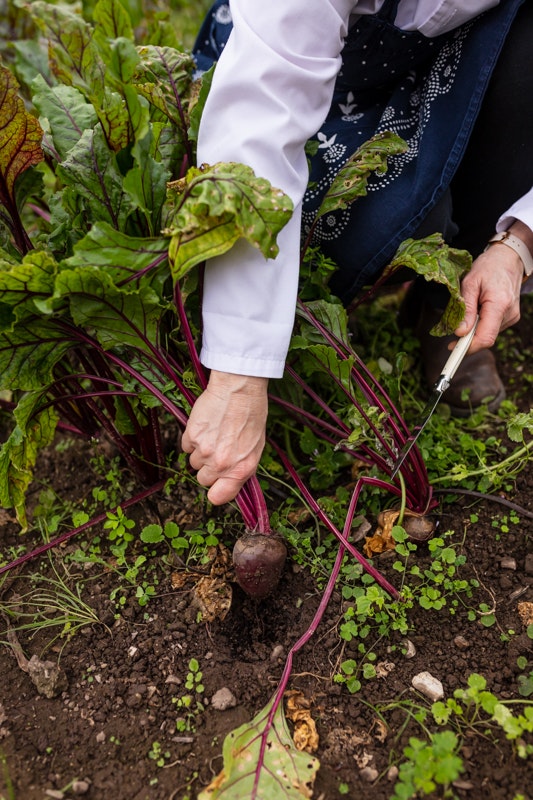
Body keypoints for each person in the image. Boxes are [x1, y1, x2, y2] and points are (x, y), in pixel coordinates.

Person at [181, 0, 533, 506]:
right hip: (316, 73)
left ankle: (445, 308)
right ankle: (270, 322)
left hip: (464, 57)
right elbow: (255, 137)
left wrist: (517, 242)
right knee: (385, 225)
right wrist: (238, 374)